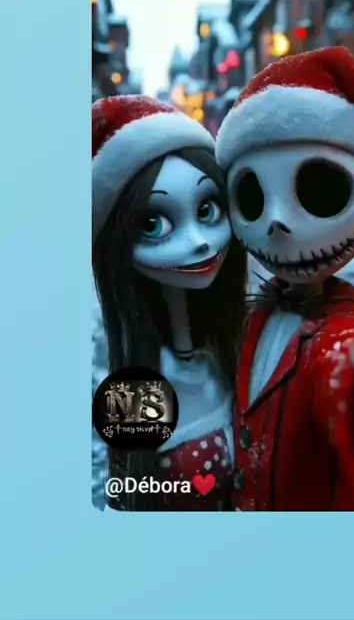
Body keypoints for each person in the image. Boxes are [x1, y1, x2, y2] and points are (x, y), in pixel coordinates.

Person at [215, 47, 354, 510]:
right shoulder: (253, 313)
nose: (276, 221)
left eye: (319, 189)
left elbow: (342, 380)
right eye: (252, 195)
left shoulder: (346, 332)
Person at [92, 96, 246, 511]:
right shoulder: (135, 389)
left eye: (208, 210)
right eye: (153, 224)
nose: (198, 242)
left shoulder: (237, 349)